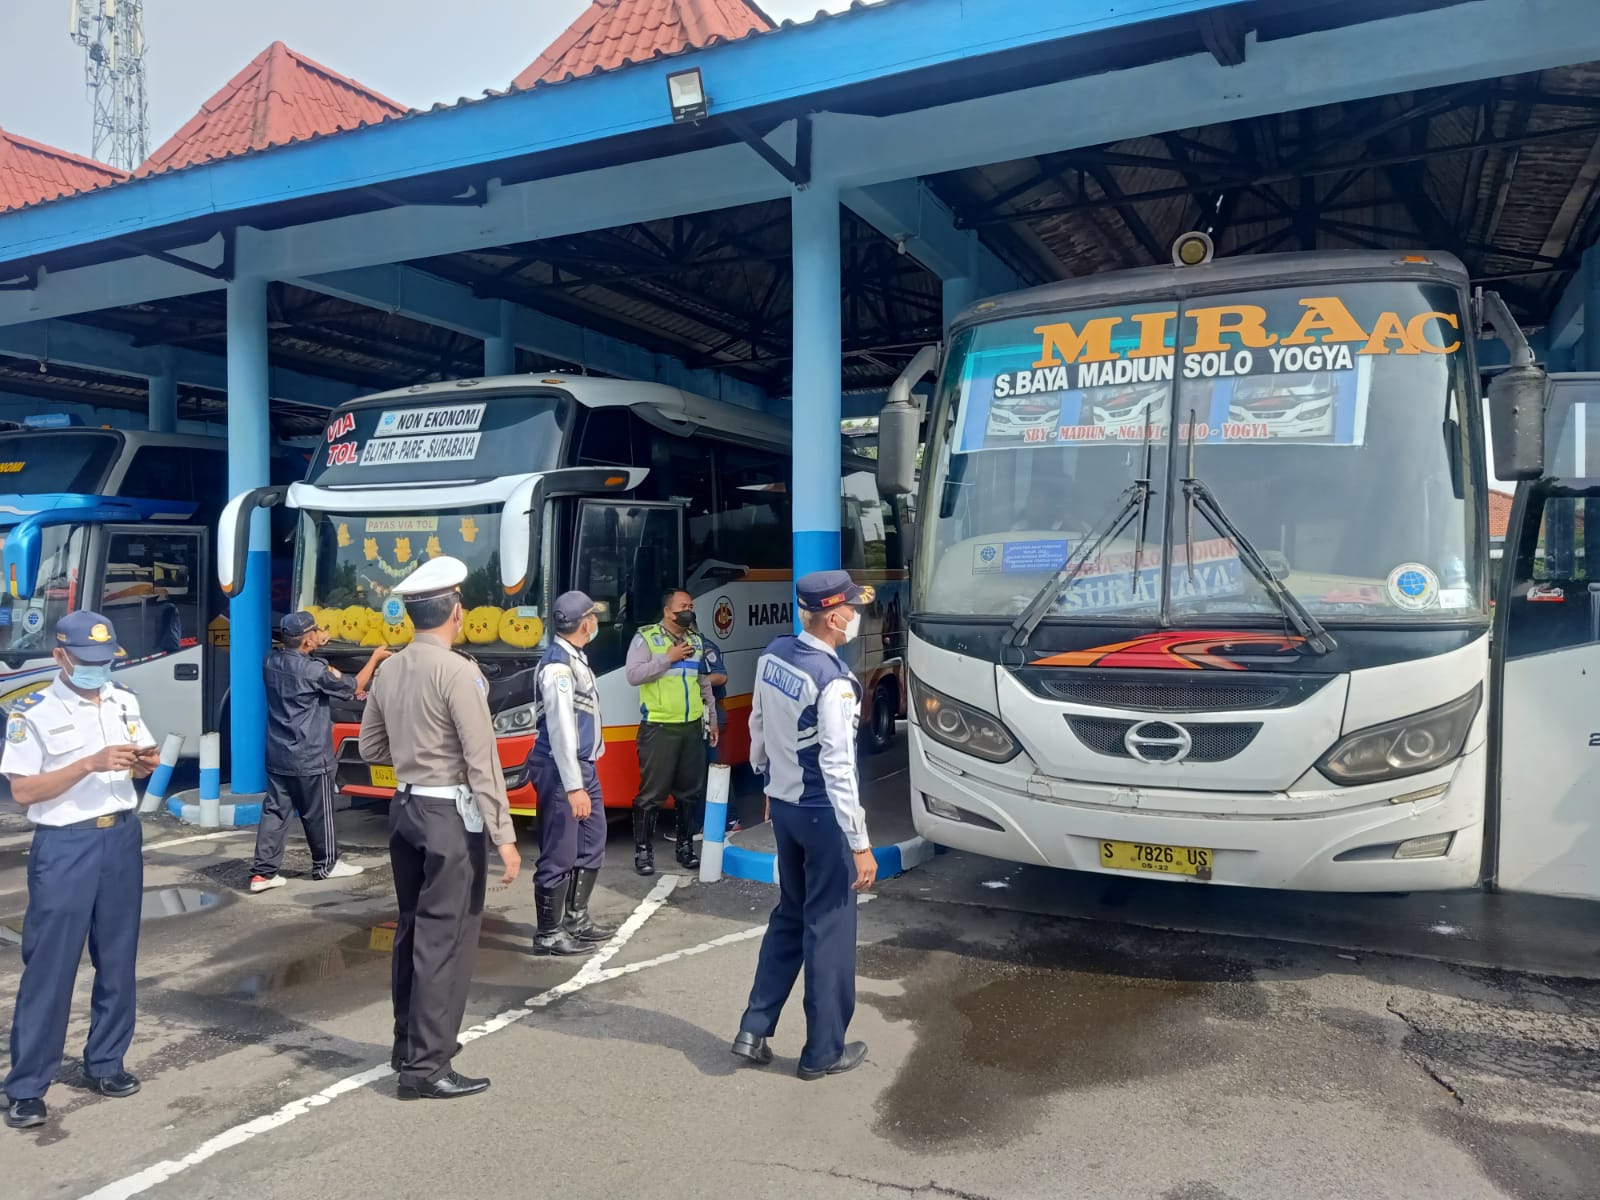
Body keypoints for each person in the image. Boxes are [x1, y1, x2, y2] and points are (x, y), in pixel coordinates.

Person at [359, 557, 521, 1101]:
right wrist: (505, 834)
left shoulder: (389, 669)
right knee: (445, 939)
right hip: (449, 815)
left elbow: (370, 748)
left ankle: (409, 1045)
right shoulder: (457, 672)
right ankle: (427, 1068)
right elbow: (483, 760)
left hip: (405, 809)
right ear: (456, 612)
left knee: (412, 929)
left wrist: (414, 759)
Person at [3, 611, 160, 1131]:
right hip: (65, 844)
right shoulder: (34, 711)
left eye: (106, 660)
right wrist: (87, 764)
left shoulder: (124, 700)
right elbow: (24, 792)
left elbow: (139, 755)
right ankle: (27, 1086)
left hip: (121, 837)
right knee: (51, 966)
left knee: (118, 959)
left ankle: (106, 1062)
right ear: (61, 657)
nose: (99, 669)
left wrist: (143, 764)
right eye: (88, 661)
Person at [731, 571, 877, 1082]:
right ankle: (822, 1052)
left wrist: (769, 784)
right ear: (835, 616)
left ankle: (754, 1027)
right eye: (853, 608)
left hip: (786, 806)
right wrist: (860, 843)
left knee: (790, 914)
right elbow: (838, 765)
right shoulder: (833, 681)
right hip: (823, 816)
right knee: (830, 928)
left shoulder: (774, 654)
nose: (857, 615)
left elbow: (758, 722)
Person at [250, 611, 389, 893]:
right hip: (310, 754)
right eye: (316, 631)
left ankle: (262, 874)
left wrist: (318, 652)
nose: (320, 633)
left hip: (278, 754)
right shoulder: (314, 671)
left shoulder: (270, 662)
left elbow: (308, 663)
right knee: (319, 812)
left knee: (275, 812)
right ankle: (326, 865)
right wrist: (374, 659)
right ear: (307, 640)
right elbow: (354, 686)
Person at [527, 591, 615, 957]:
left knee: (592, 840)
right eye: (593, 616)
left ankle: (576, 918)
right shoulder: (558, 668)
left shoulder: (575, 658)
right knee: (560, 849)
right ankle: (548, 933)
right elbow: (562, 731)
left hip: (582, 767)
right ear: (584, 624)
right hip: (564, 769)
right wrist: (574, 786)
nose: (596, 621)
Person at [625, 588, 717, 874]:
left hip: (691, 728)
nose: (688, 609)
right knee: (652, 794)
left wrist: (711, 718)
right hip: (659, 727)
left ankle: (685, 847)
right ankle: (643, 853)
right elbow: (633, 675)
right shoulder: (647, 637)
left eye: (691, 604)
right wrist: (668, 657)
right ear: (668, 611)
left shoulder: (696, 641)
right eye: (682, 606)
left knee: (690, 792)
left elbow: (703, 684)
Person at [701, 639, 737, 833]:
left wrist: (695, 679)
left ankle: (730, 819)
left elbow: (721, 676)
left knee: (714, 769)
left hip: (710, 714)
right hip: (703, 714)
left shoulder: (703, 645)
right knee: (707, 769)